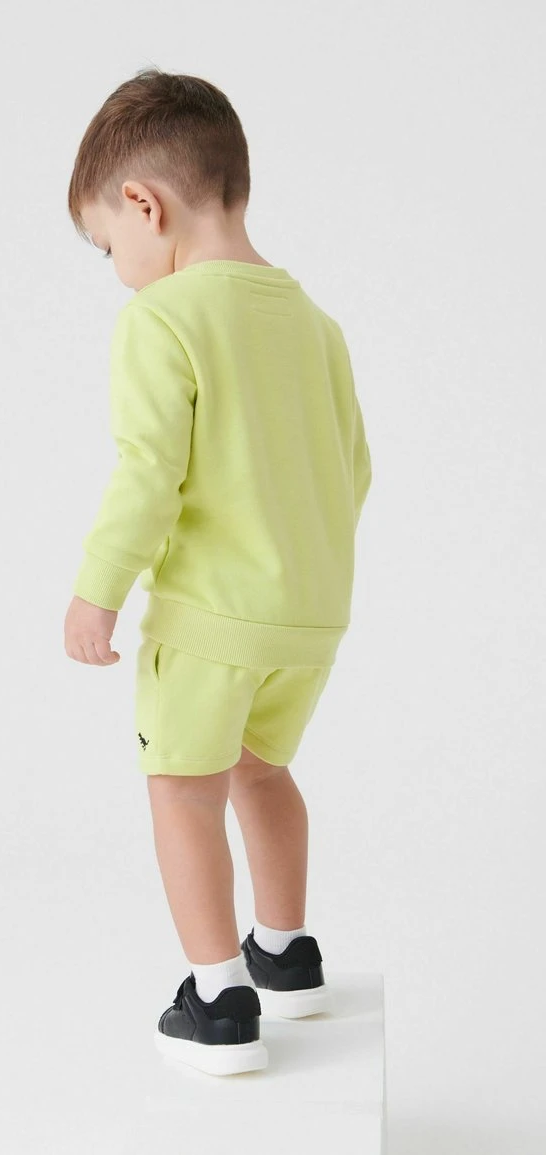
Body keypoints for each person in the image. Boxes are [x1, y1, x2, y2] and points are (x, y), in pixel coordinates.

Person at [63, 67, 372, 1078]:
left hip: (209, 621)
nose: (118, 269)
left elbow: (147, 471)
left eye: (107, 243)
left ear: (143, 203)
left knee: (182, 791)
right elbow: (354, 468)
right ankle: (286, 954)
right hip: (309, 620)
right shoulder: (314, 323)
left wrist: (98, 590)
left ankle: (217, 998)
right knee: (260, 771)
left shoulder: (162, 318)